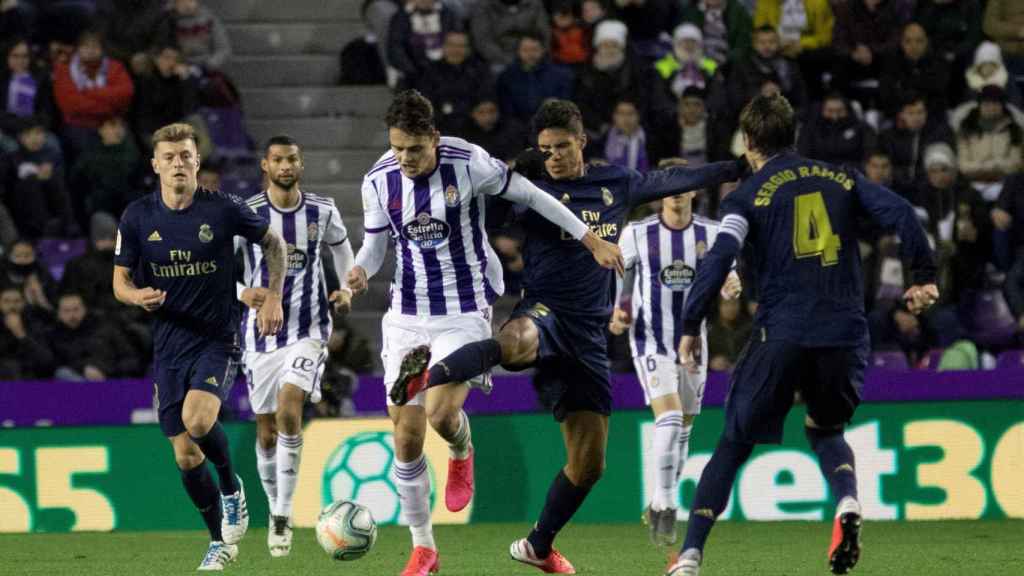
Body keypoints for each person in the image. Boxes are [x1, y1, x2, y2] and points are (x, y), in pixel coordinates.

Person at [387, 98, 741, 574]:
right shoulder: (531, 186)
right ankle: (430, 376)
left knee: (589, 465)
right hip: (544, 308)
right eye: (546, 148)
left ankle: (538, 544)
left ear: (581, 142)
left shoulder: (616, 184)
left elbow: (679, 179)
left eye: (561, 146)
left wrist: (742, 165)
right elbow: (473, 211)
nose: (553, 155)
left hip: (589, 334)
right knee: (516, 341)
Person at [344, 90, 621, 576]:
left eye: (415, 149)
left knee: (440, 413)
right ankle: (424, 549)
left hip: (463, 309)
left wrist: (590, 237)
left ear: (433, 137)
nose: (405, 159)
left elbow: (534, 196)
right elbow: (373, 247)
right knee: (405, 438)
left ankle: (460, 447)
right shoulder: (378, 179)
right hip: (406, 314)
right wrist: (359, 274)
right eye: (398, 148)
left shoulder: (469, 162)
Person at [664, 93, 938, 576]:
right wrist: (922, 275)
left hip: (783, 331)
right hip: (845, 332)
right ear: (794, 135)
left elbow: (719, 256)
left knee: (732, 442)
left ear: (748, 142)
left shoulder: (745, 196)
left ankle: (689, 556)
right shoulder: (843, 178)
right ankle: (848, 501)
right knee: (825, 427)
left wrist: (691, 323)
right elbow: (902, 214)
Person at [112, 122, 286, 570]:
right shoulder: (136, 217)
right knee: (186, 455)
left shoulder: (222, 209)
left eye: (186, 156)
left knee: (198, 417)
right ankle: (219, 542)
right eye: (169, 157)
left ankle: (232, 487)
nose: (178, 164)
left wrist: (274, 294)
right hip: (168, 346)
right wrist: (136, 297)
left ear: (197, 161)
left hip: (217, 337)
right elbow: (120, 282)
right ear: (155, 165)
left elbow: (274, 243)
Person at [607, 174, 742, 547]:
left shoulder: (712, 234)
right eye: (670, 187)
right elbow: (623, 277)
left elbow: (727, 272)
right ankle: (665, 504)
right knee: (667, 417)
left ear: (695, 190)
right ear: (660, 194)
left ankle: (657, 497)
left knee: (684, 427)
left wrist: (731, 282)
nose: (678, 193)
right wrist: (620, 310)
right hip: (649, 339)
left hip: (693, 341)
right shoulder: (637, 232)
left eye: (684, 185)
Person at [236, 135, 354, 558]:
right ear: (264, 166)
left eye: (292, 159)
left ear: (300, 165)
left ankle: (284, 515)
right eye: (278, 160)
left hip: (309, 330)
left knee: (290, 407)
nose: (286, 166)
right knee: (266, 430)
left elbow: (342, 249)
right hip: (260, 337)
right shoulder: (247, 214)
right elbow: (220, 269)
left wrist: (345, 287)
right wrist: (241, 291)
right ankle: (274, 509)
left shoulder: (321, 210)